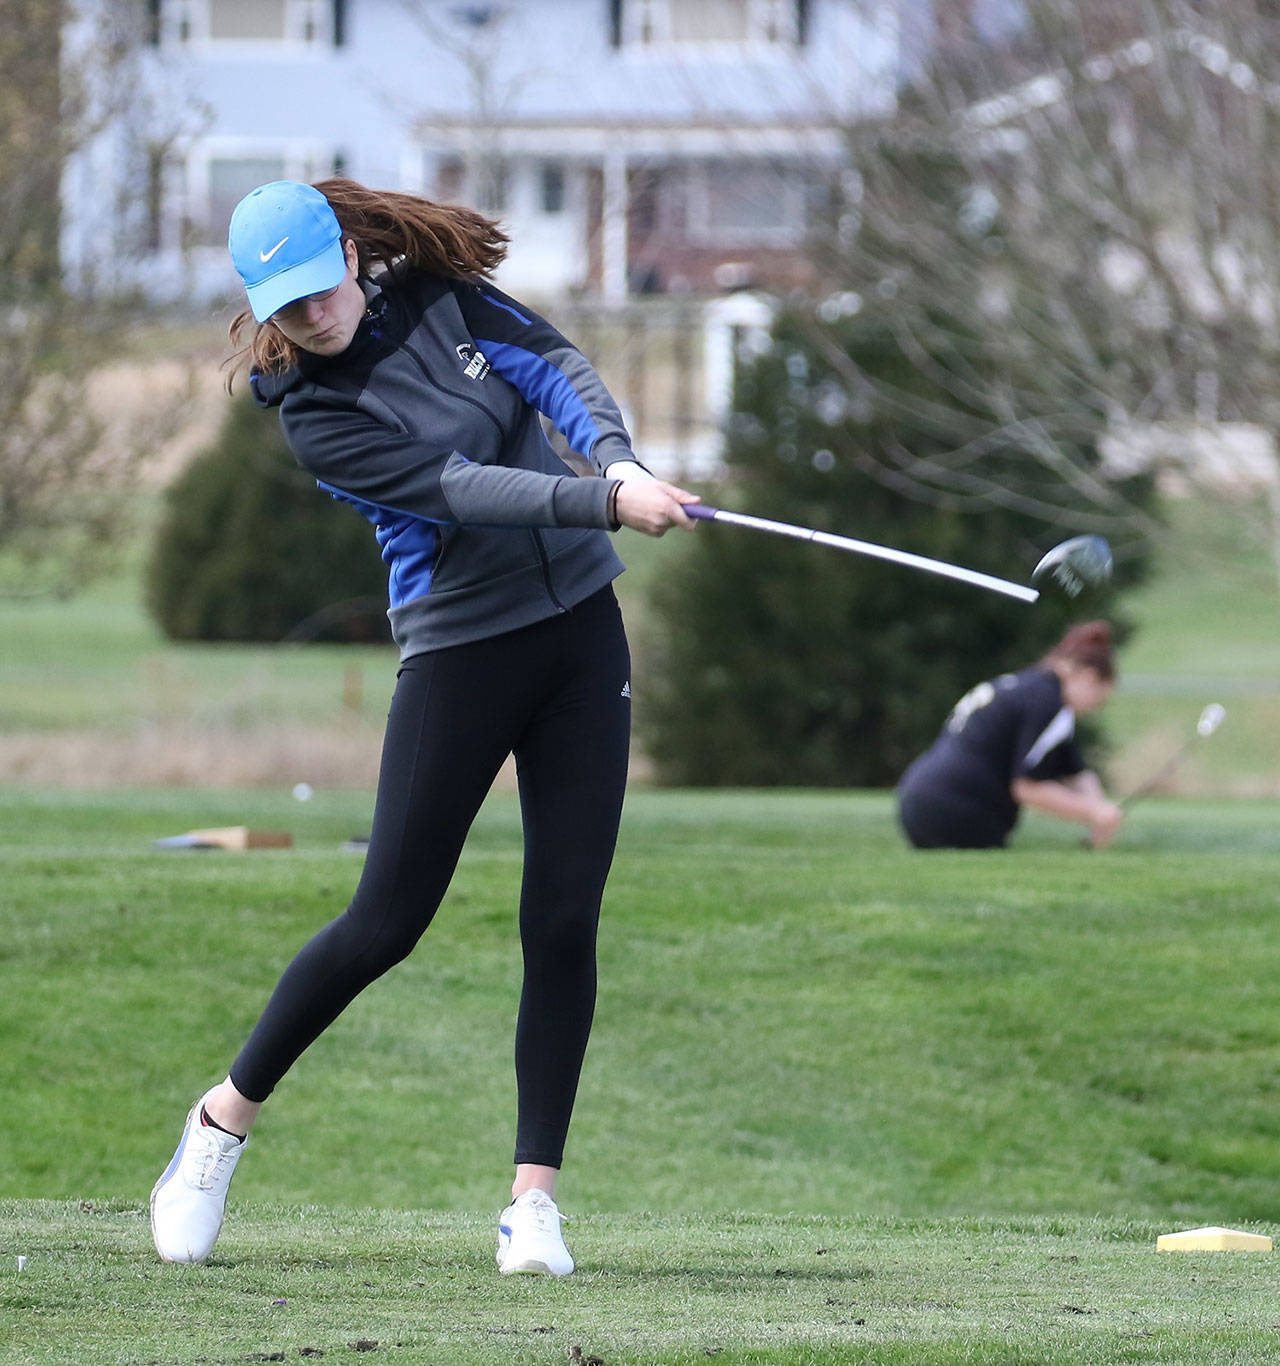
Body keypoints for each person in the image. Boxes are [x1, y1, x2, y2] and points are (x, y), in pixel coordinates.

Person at [150, 178, 700, 1274]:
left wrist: (618, 455)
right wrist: (603, 501)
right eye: (287, 305)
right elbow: (461, 487)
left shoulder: (440, 295)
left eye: (321, 288)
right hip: (461, 650)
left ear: (352, 257)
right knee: (386, 922)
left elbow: (551, 364)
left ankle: (532, 1204)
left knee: (563, 915)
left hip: (581, 633)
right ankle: (218, 1124)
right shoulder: (314, 414)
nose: (312, 316)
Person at [896, 621, 1123, 850]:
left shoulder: (1031, 688)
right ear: (1089, 677)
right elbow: (1027, 787)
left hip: (916, 802)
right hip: (958, 810)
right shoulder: (1048, 703)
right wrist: (1095, 812)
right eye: (1100, 699)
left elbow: (1074, 770)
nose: (1096, 707)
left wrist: (1100, 812)